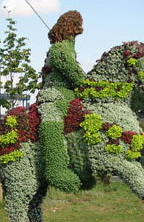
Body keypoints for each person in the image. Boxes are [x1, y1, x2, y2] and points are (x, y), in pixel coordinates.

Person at [38, 10, 86, 192]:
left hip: (70, 95)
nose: (81, 28)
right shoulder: (59, 49)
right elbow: (75, 75)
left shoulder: (68, 49)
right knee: (53, 113)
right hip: (55, 94)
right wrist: (88, 84)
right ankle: (55, 169)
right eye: (78, 24)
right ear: (71, 26)